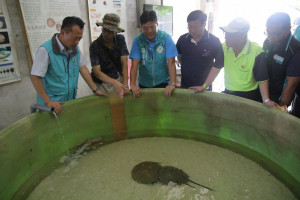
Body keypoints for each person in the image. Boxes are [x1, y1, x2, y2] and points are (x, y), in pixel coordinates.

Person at [192, 17, 278, 107]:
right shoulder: (224, 47)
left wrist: (266, 100)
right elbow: (216, 67)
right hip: (229, 92)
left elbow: (262, 79)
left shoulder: (257, 51)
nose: (225, 37)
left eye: (230, 35)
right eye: (225, 33)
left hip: (249, 96)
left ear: (242, 36)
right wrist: (204, 86)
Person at [31, 16, 106, 114]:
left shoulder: (74, 49)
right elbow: (35, 77)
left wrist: (95, 89)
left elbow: (82, 68)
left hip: (68, 101)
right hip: (51, 105)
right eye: (75, 38)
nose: (77, 42)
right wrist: (48, 101)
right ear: (63, 32)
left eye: (79, 39)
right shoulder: (45, 51)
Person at [254, 12, 300, 117]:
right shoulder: (268, 41)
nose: (270, 36)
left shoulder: (295, 51)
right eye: (267, 32)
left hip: (277, 97)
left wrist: (280, 106)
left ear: (288, 29)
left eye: (275, 34)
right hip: (262, 90)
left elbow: (291, 84)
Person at [129, 11, 178, 98]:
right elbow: (134, 64)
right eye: (146, 28)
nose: (150, 31)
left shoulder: (166, 38)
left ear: (157, 24)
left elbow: (171, 62)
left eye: (153, 27)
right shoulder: (138, 40)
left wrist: (172, 83)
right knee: (147, 109)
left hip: (163, 82)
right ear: (141, 27)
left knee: (163, 108)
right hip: (144, 83)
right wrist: (133, 84)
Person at [176, 10, 223, 91]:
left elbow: (218, 65)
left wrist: (205, 86)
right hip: (185, 85)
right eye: (190, 27)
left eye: (196, 27)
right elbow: (179, 56)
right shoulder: (182, 39)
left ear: (204, 24)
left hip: (204, 87)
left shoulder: (214, 41)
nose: (192, 31)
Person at [89, 13, 129, 98]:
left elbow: (124, 63)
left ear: (115, 32)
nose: (106, 34)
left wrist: (125, 84)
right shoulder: (94, 46)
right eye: (104, 30)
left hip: (118, 78)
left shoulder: (120, 39)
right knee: (105, 107)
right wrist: (114, 82)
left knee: (119, 106)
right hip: (102, 83)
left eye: (110, 31)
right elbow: (97, 72)